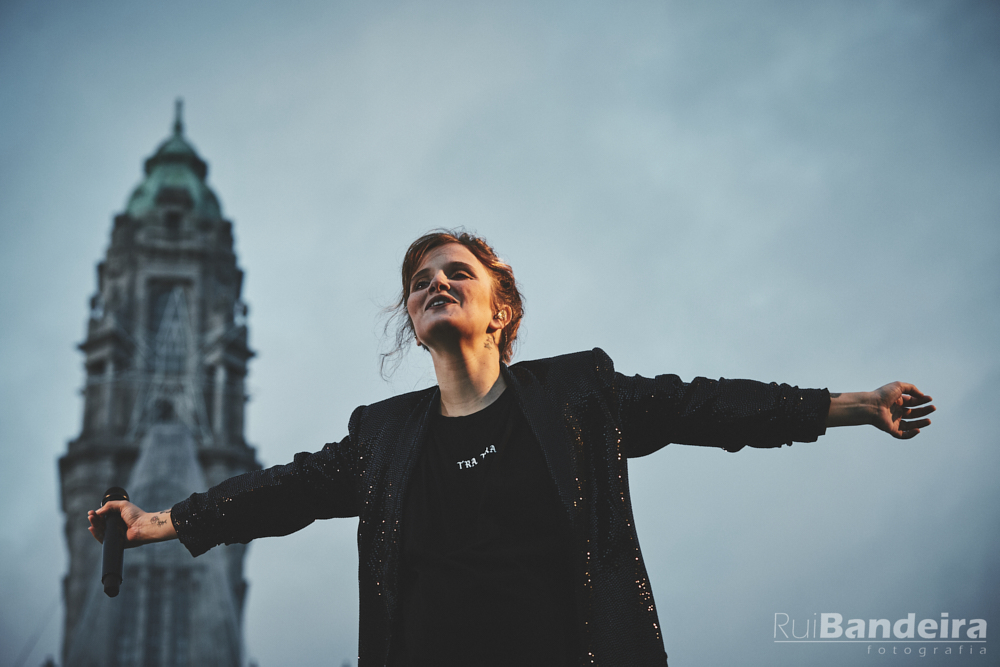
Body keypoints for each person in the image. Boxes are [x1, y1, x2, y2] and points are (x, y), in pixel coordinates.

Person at [89, 230, 934, 666]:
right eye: (419, 280)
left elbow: (705, 407)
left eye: (456, 271)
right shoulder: (382, 437)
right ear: (414, 327)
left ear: (500, 309)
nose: (434, 283)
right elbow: (287, 491)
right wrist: (159, 520)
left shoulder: (578, 396)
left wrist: (853, 404)